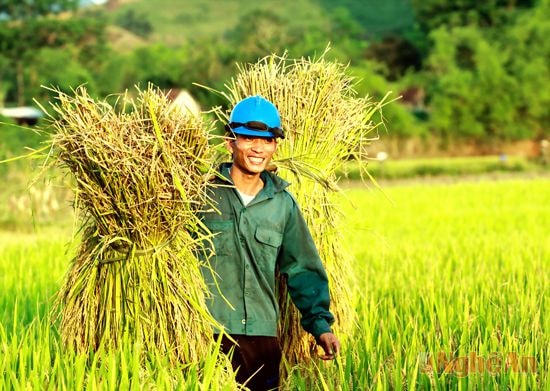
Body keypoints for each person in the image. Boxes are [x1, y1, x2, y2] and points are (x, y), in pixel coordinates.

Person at [199, 95, 340, 390]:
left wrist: (320, 326)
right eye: (248, 138)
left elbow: (301, 267)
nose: (258, 148)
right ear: (230, 141)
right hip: (206, 335)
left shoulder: (282, 204)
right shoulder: (200, 196)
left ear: (275, 146)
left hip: (262, 340)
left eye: (267, 140)